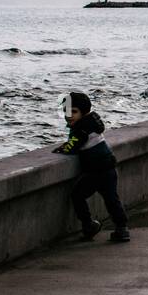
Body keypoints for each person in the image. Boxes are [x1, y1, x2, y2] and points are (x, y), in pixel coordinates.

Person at [54, 91, 130, 243]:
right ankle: (122, 229)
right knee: (111, 200)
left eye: (73, 112)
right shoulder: (91, 123)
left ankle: (88, 225)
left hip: (96, 171)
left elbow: (73, 145)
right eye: (66, 111)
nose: (69, 115)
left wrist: (60, 149)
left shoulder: (81, 129)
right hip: (108, 167)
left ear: (84, 112)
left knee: (77, 195)